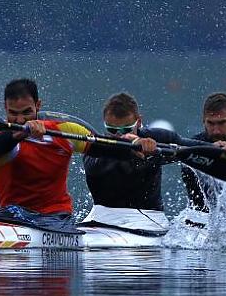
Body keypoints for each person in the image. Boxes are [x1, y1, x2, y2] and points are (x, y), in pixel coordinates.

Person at [0, 79, 155, 231]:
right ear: (5, 108)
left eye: (27, 112)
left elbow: (105, 148)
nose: (20, 120)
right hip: (12, 216)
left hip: (56, 218)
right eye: (13, 113)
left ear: (38, 105)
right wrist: (23, 132)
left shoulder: (64, 131)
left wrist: (136, 145)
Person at [80, 93, 203, 234]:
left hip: (147, 218)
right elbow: (94, 168)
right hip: (100, 217)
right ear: (104, 123)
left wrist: (221, 147)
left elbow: (195, 148)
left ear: (138, 122)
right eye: (112, 130)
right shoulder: (96, 145)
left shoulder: (158, 138)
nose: (118, 135)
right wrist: (129, 143)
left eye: (125, 130)